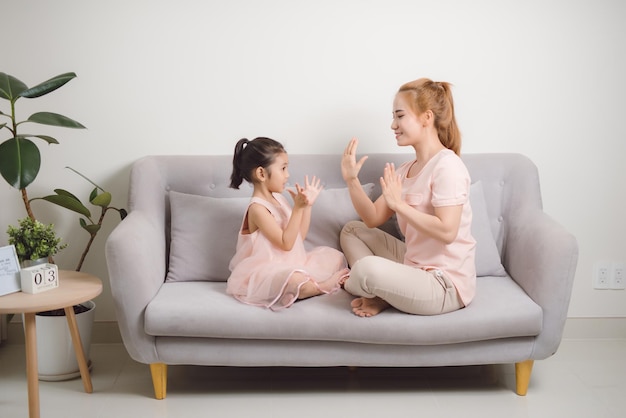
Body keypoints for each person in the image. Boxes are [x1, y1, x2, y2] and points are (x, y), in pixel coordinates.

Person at [340, 78, 476, 318]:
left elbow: (447, 231)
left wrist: (399, 205)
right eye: (394, 117)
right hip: (413, 265)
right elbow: (372, 219)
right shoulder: (406, 170)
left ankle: (369, 286)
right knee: (352, 230)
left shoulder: (448, 166)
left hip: (443, 284)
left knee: (366, 269)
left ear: (427, 117)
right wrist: (352, 180)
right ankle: (381, 292)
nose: (393, 124)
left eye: (400, 116)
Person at [227, 137, 349, 310]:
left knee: (334, 257)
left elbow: (299, 236)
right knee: (294, 279)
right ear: (261, 173)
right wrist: (297, 209)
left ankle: (293, 292)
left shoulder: (279, 198)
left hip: (296, 262)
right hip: (268, 271)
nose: (287, 175)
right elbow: (286, 243)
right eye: (283, 169)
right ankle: (318, 287)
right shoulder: (257, 209)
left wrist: (306, 207)